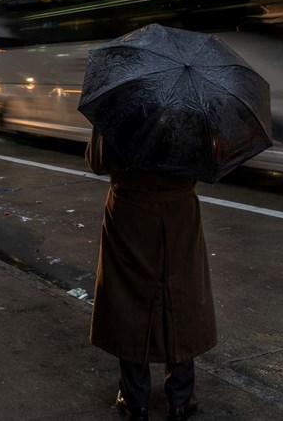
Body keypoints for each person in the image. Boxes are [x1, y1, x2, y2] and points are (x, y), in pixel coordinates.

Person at [85, 129, 216, 421]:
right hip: (179, 212)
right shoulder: (191, 106)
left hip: (129, 213)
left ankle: (135, 399)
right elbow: (208, 161)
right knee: (181, 294)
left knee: (129, 298)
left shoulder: (120, 107)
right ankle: (180, 398)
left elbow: (97, 161)